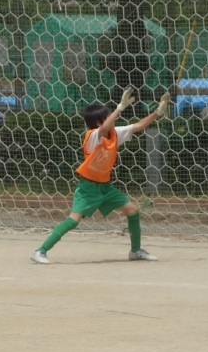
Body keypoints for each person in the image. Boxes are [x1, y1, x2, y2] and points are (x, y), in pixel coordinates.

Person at [32, 88, 169, 264]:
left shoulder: (114, 133)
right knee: (74, 220)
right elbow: (104, 128)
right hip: (88, 187)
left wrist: (157, 112)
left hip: (105, 187)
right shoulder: (92, 136)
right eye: (108, 117)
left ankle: (135, 251)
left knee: (132, 210)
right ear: (98, 123)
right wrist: (120, 107)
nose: (113, 118)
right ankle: (40, 251)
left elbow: (139, 126)